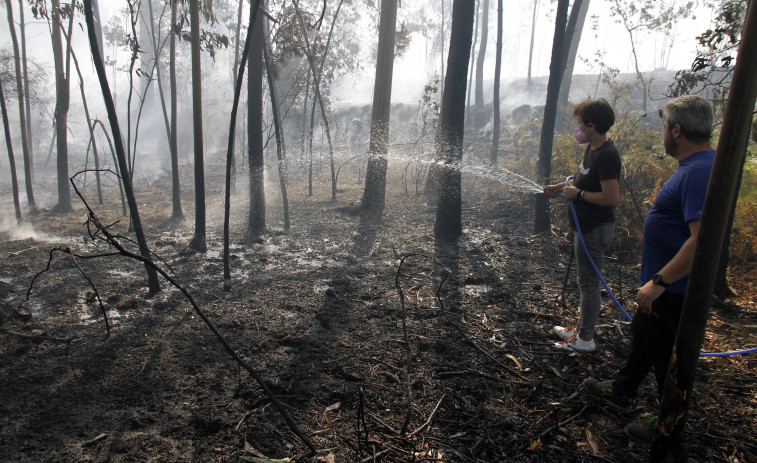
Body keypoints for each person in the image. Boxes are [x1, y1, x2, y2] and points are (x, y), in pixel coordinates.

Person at [581, 95, 715, 443]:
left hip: (672, 289)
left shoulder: (699, 172)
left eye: (664, 126)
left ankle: (667, 422)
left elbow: (701, 239)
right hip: (662, 286)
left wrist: (660, 281)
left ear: (677, 129)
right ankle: (623, 388)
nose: (662, 133)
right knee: (643, 338)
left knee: (665, 355)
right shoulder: (694, 166)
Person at [543, 98, 621, 353]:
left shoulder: (607, 155)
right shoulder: (594, 149)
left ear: (591, 125)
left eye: (579, 124)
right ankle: (580, 328)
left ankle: (585, 340)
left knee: (589, 284)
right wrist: (560, 187)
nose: (577, 129)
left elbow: (611, 198)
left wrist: (579, 195)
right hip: (585, 227)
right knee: (584, 281)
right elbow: (582, 180)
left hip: (595, 229)